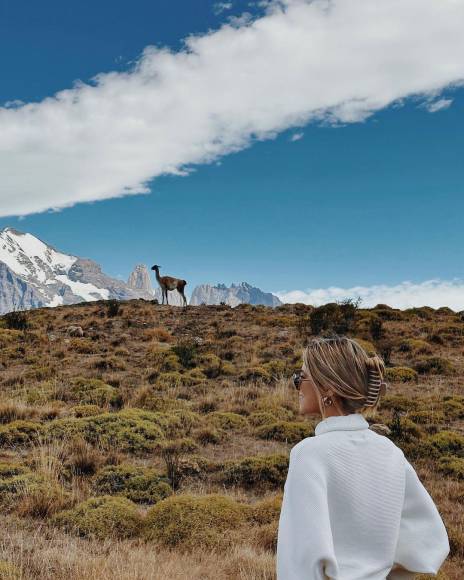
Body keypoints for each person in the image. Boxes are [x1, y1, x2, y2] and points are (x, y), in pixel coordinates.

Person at [276, 336, 450, 580]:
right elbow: (429, 538)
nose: (296, 385)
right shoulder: (391, 452)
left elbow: (299, 561)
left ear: (328, 387)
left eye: (300, 377)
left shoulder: (309, 455)